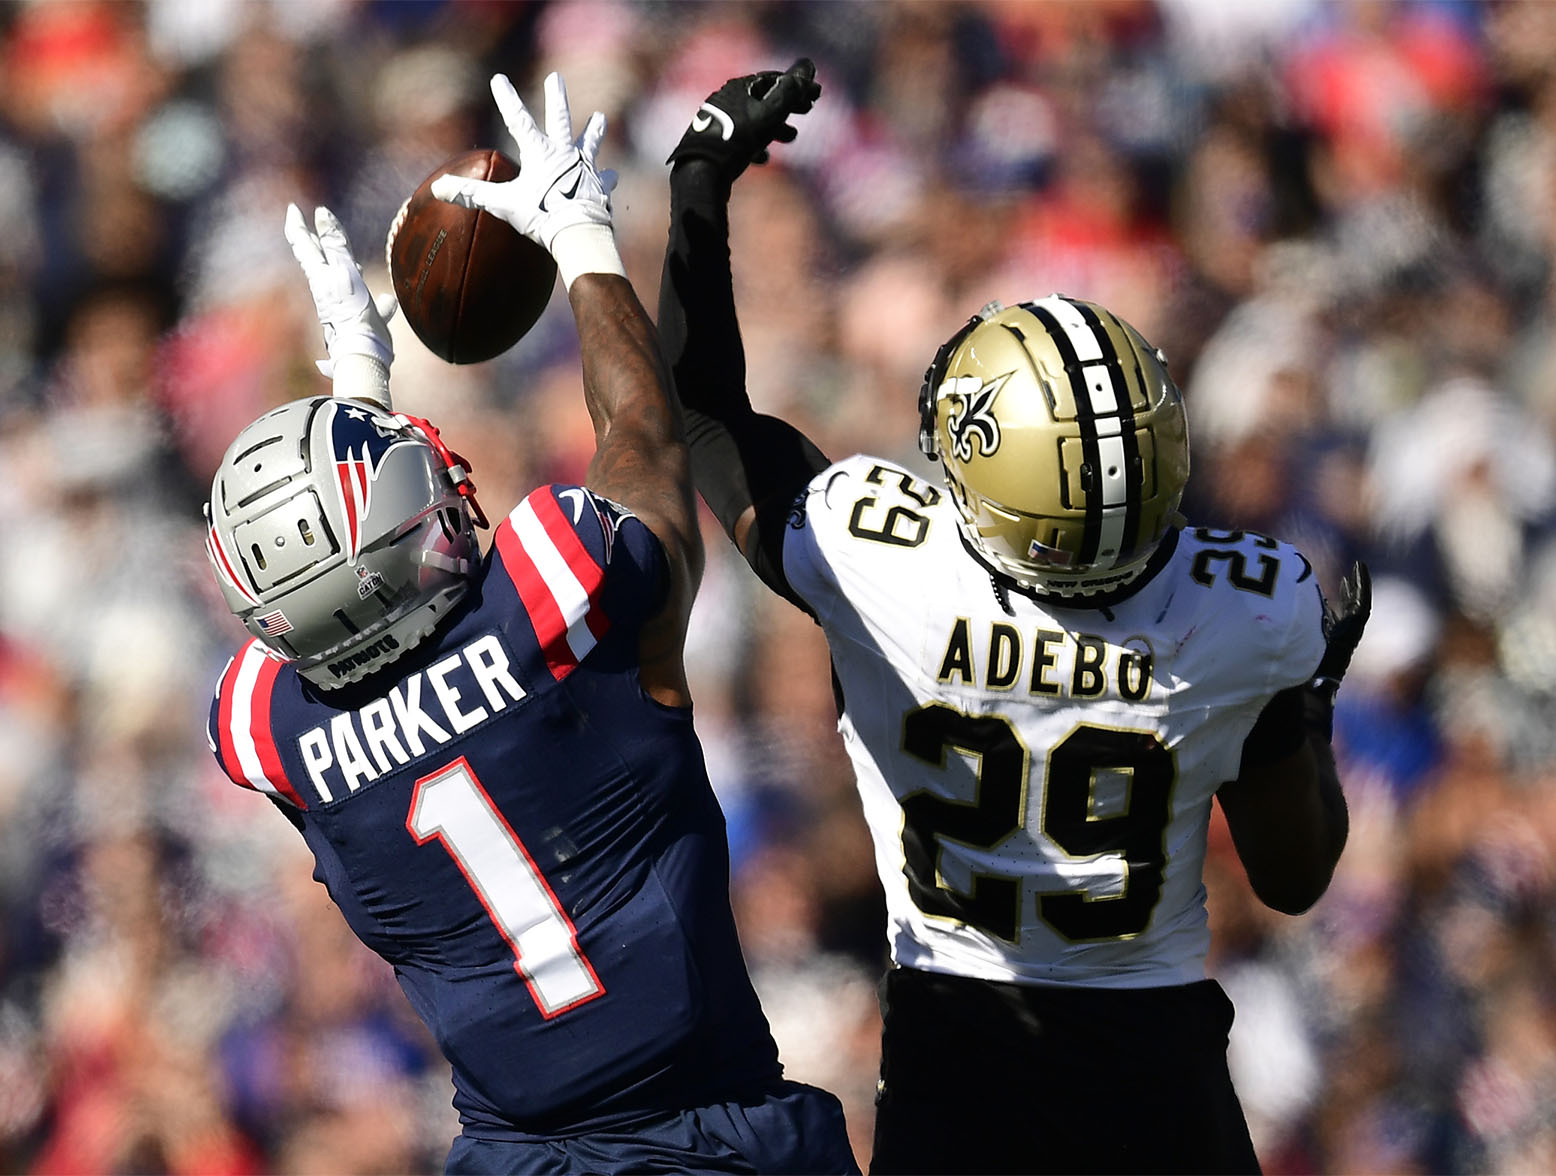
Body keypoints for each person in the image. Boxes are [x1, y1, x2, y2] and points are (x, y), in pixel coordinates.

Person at [658, 60, 1370, 1175]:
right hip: (1157, 1067)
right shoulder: (1251, 604)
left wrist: (699, 174)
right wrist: (1304, 722)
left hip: (957, 1057)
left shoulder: (883, 563)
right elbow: (1292, 876)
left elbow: (700, 409)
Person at [203, 70, 858, 1176]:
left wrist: (358, 392)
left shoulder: (269, 735)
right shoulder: (553, 608)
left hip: (511, 1159)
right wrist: (582, 233)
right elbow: (645, 439)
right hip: (715, 1133)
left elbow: (353, 612)